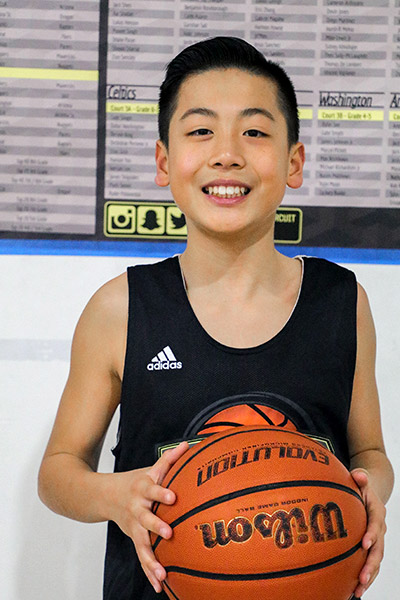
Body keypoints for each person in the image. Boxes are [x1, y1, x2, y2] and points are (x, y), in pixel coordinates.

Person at [38, 37, 394, 600]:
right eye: (201, 130)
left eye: (255, 132)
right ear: (164, 162)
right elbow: (58, 471)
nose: (227, 154)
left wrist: (371, 488)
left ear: (294, 162)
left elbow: (369, 451)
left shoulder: (342, 301)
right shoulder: (121, 307)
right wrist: (117, 496)